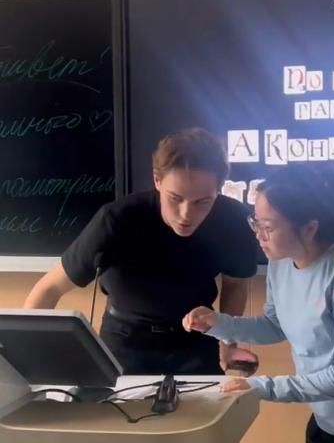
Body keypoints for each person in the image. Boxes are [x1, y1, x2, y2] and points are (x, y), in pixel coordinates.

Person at [183, 164, 334, 443]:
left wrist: (259, 387)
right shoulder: (281, 261)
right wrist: (217, 324)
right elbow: (274, 325)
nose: (258, 235)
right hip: (327, 418)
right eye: (255, 222)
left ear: (309, 229)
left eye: (268, 227)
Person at [24, 128, 259, 375]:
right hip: (124, 342)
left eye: (202, 202)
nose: (186, 215)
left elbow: (235, 284)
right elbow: (49, 288)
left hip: (197, 339)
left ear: (219, 188)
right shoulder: (116, 220)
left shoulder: (234, 219)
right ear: (157, 180)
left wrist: (228, 342)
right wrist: (27, 356)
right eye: (175, 198)